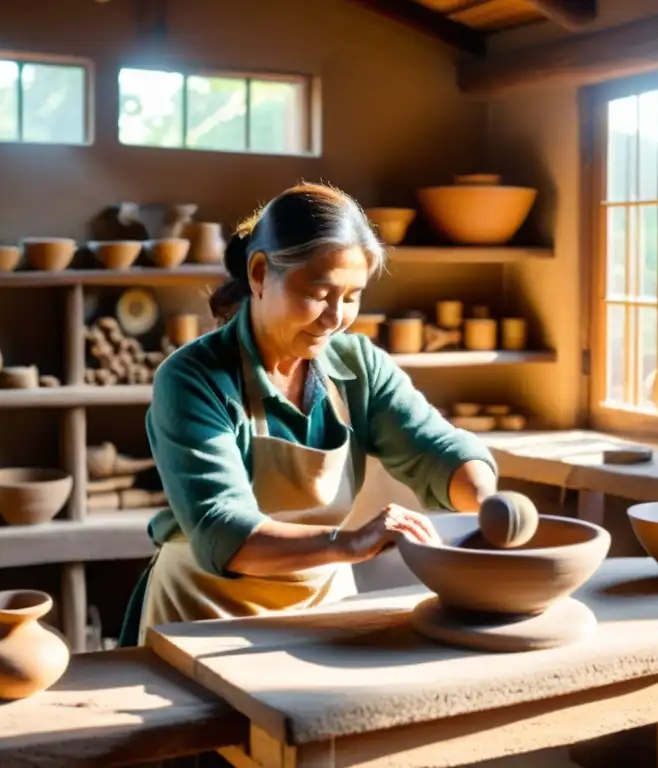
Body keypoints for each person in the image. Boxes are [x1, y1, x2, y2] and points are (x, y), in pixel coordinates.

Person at [119, 182, 498, 647]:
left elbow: (436, 448)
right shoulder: (192, 379)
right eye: (319, 292)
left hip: (321, 602)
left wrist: (489, 504)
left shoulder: (360, 365)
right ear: (259, 274)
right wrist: (349, 544)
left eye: (353, 295)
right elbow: (224, 529)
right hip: (204, 612)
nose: (335, 317)